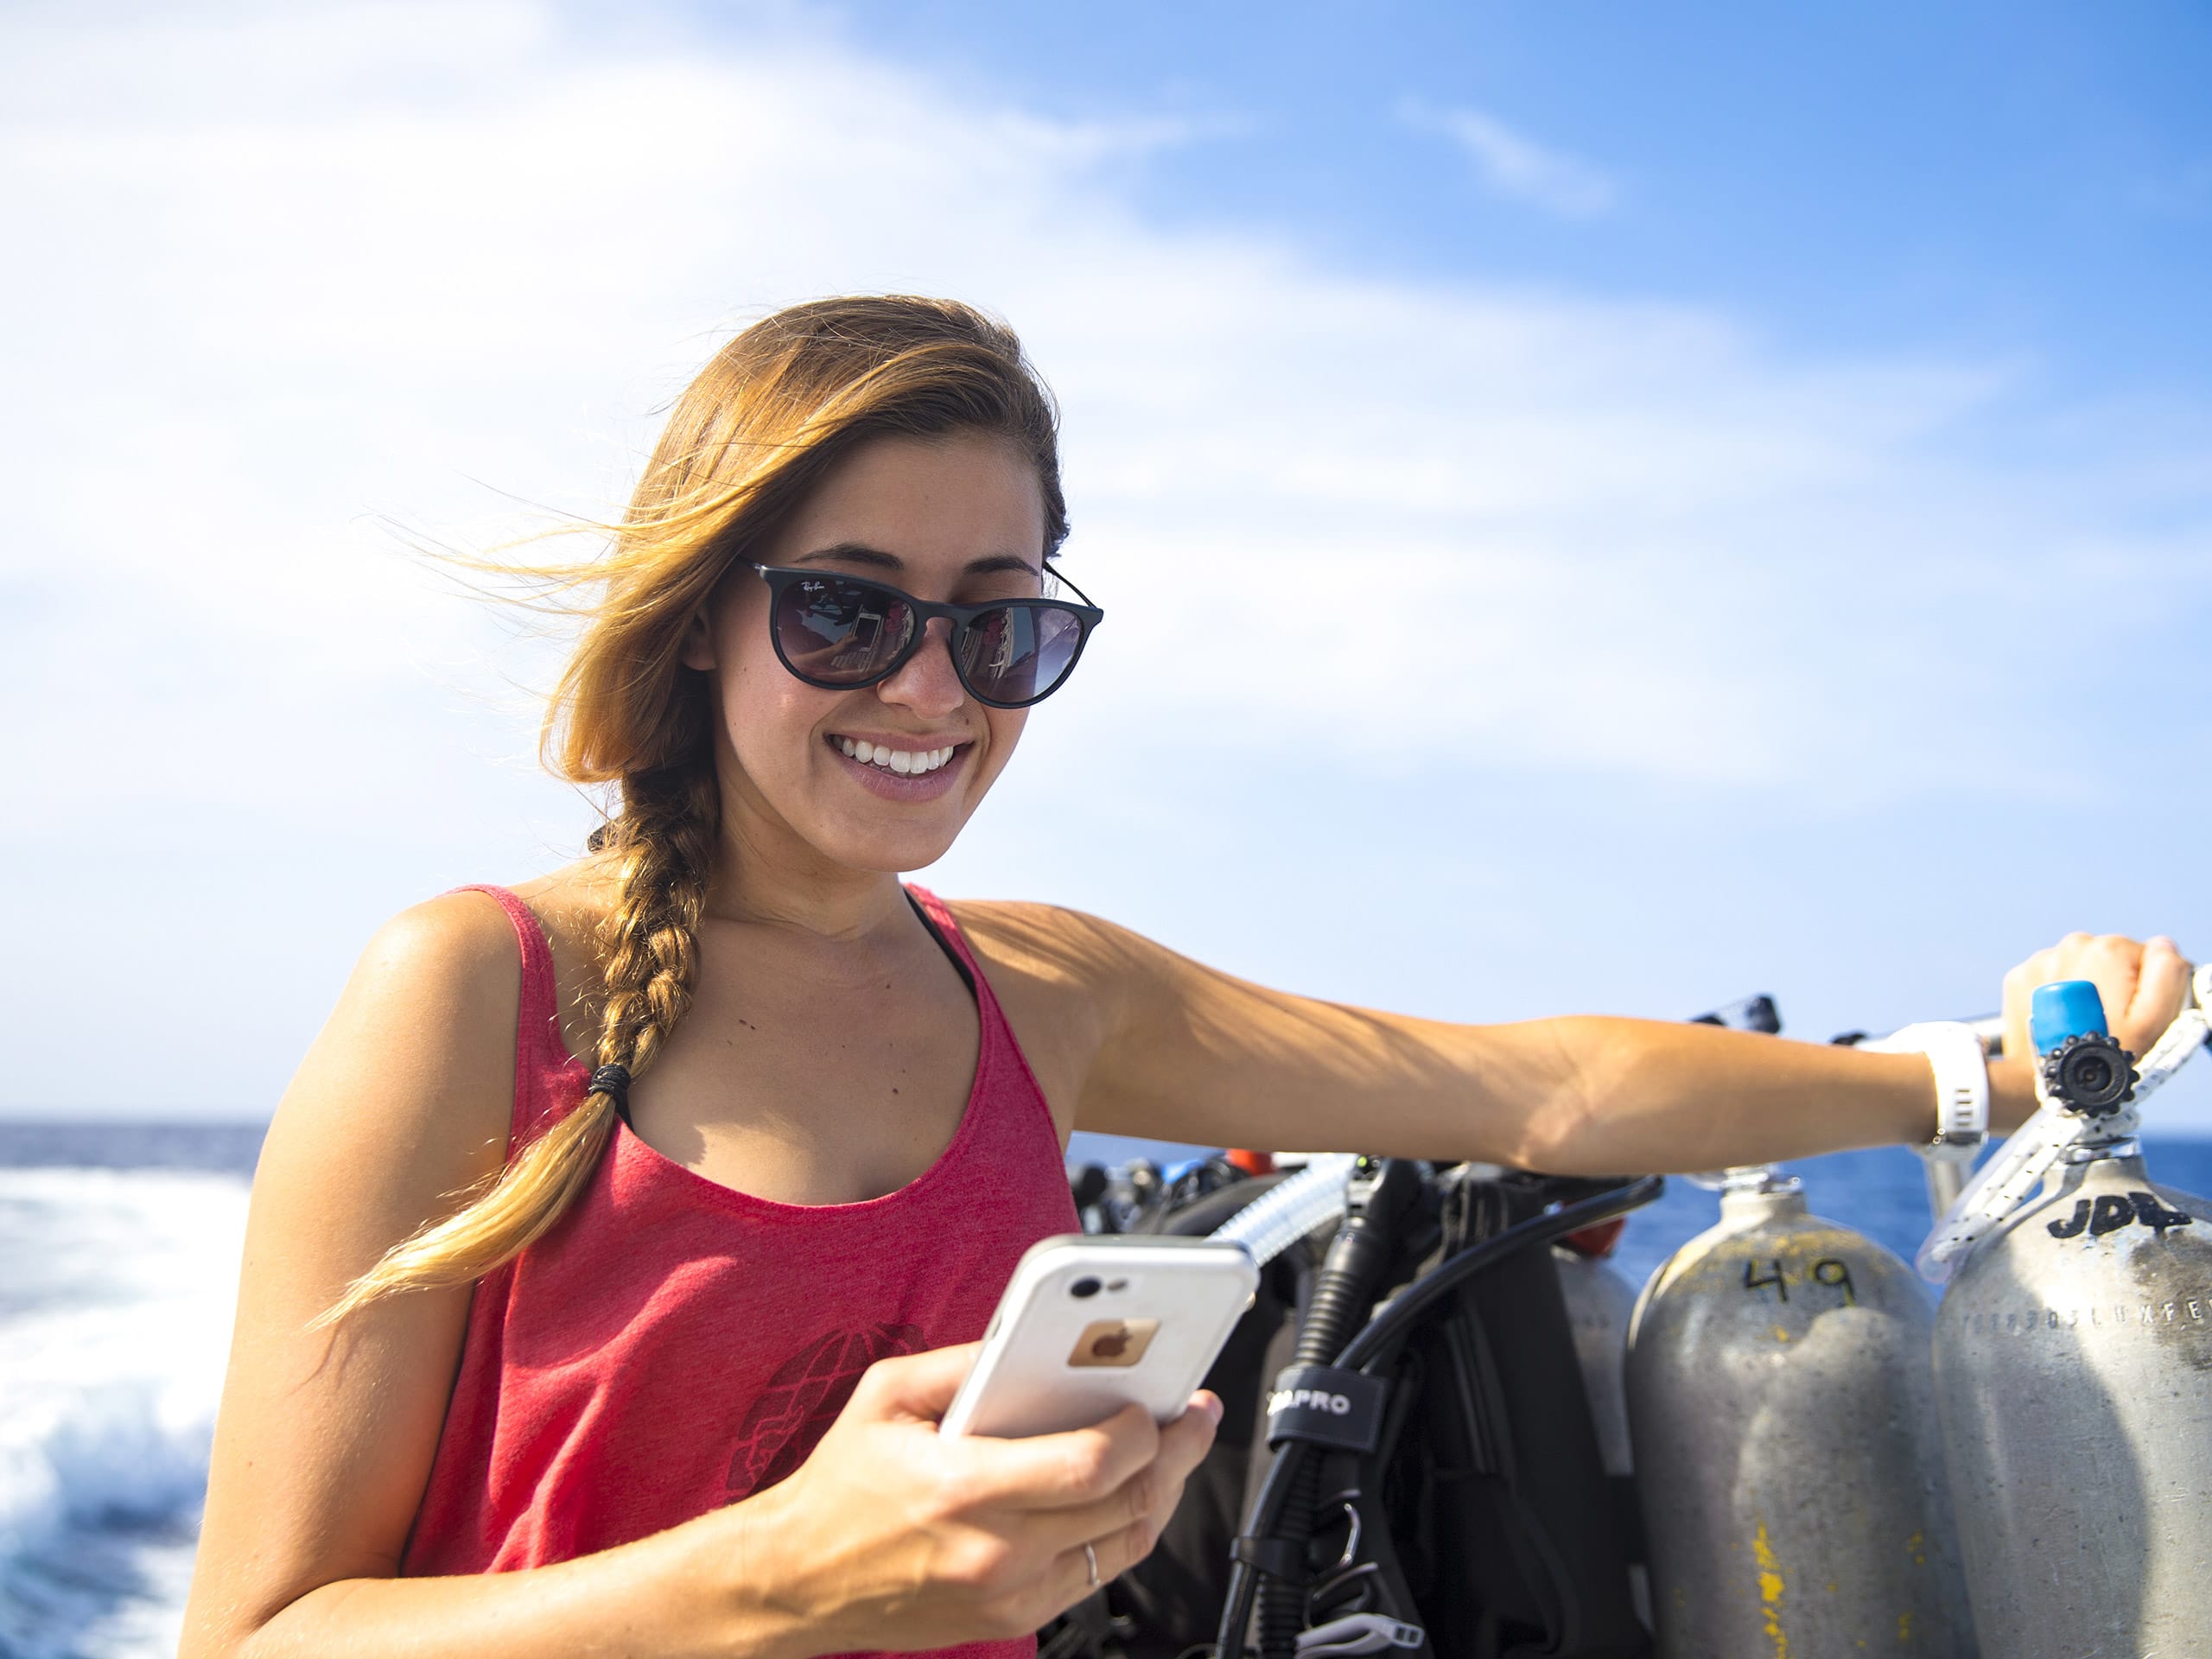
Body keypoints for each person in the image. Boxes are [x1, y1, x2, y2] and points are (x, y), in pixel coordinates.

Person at [177, 296, 2192, 1659]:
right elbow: (260, 1639)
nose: (927, 692)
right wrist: (783, 1572)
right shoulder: (474, 988)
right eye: (844, 613)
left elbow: (1533, 1092)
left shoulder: (1039, 996)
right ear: (704, 621)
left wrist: (1976, 1077)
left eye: (999, 627)